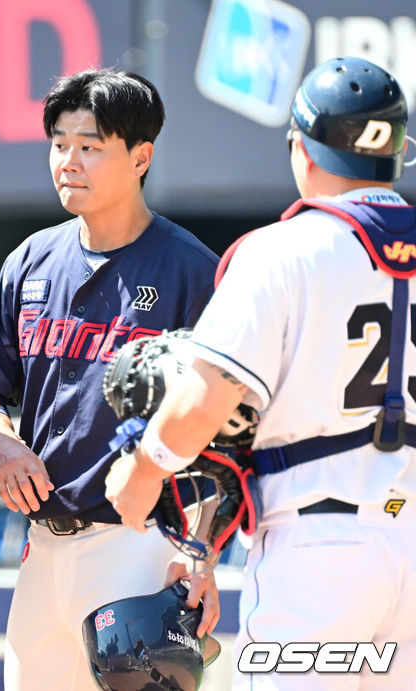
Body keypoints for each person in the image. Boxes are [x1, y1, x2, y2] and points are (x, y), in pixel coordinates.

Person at [106, 56, 416, 690]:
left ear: (301, 148)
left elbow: (205, 399)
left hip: (318, 549)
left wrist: (143, 469)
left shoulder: (281, 251)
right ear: (398, 151)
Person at [0, 69, 221, 690]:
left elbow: (226, 430)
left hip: (142, 545)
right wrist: (1, 436)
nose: (68, 161)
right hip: (43, 545)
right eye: (59, 143)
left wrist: (200, 552)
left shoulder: (192, 272)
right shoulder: (31, 259)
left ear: (140, 157)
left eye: (90, 145)